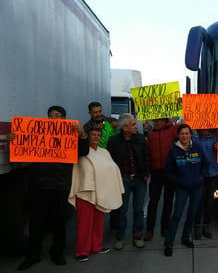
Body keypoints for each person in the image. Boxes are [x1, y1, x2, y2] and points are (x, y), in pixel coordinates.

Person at [10, 106, 89, 270]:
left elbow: (83, 151)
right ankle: (33, 256)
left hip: (60, 186)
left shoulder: (71, 134)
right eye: (51, 115)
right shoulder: (37, 134)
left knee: (58, 223)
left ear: (64, 119)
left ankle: (57, 253)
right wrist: (14, 140)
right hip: (38, 186)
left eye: (58, 115)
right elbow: (20, 151)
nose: (54, 118)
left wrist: (82, 134)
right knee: (36, 223)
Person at [68, 127, 124, 262]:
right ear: (88, 136)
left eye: (99, 135)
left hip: (101, 189)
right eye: (93, 134)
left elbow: (112, 168)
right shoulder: (81, 150)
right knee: (84, 223)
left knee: (99, 221)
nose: (96, 137)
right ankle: (82, 250)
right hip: (85, 191)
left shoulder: (104, 152)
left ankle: (96, 246)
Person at [163, 124, 207, 256]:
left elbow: (205, 164)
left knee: (192, 213)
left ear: (190, 134)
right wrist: (178, 181)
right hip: (182, 187)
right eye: (182, 134)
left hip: (197, 186)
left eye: (187, 133)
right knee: (177, 214)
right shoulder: (173, 151)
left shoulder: (197, 148)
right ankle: (169, 243)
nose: (184, 136)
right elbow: (168, 171)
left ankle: (185, 237)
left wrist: (201, 177)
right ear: (178, 135)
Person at [107, 113, 148, 250]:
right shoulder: (113, 141)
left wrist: (146, 173)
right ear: (124, 127)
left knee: (138, 210)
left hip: (139, 180)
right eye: (133, 125)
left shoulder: (141, 139)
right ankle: (120, 237)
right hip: (122, 180)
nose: (136, 127)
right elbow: (110, 161)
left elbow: (147, 156)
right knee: (121, 210)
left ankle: (137, 236)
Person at [144, 118, 179, 241]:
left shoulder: (173, 130)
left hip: (170, 171)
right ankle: (149, 229)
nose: (155, 123)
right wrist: (147, 172)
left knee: (168, 201)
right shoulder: (151, 134)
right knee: (153, 201)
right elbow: (147, 154)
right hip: (156, 173)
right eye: (154, 121)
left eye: (158, 121)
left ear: (165, 121)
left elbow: (185, 128)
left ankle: (165, 227)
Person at [193, 129, 218, 239]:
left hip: (214, 173)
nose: (204, 130)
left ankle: (206, 225)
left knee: (210, 201)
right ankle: (197, 226)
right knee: (199, 201)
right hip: (200, 174)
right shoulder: (195, 139)